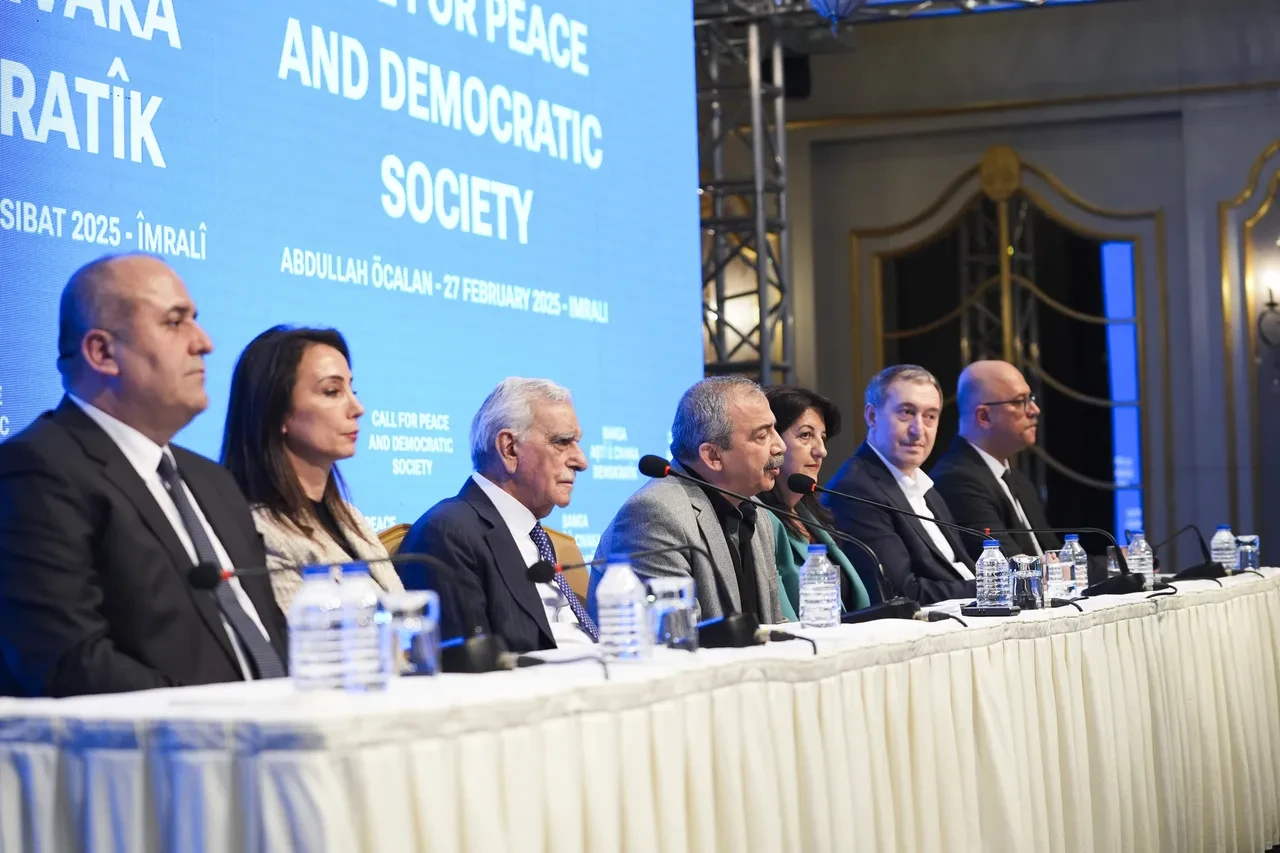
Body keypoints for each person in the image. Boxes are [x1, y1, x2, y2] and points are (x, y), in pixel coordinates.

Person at [0, 254, 288, 697]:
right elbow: (72, 664)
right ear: (102, 352)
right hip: (170, 755)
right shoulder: (37, 470)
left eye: (196, 320)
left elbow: (273, 639)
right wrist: (224, 718)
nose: (205, 342)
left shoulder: (213, 482)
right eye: (175, 323)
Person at [398, 378, 594, 653]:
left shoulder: (533, 535)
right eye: (562, 442)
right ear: (509, 449)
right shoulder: (447, 534)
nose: (581, 461)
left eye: (577, 442)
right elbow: (469, 668)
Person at [221, 326, 404, 615]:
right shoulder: (261, 534)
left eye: (351, 390)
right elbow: (302, 650)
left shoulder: (350, 517)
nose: (357, 407)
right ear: (277, 412)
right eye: (332, 391)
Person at [590, 376, 786, 624]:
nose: (780, 446)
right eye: (762, 436)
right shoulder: (654, 514)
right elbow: (676, 636)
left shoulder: (755, 509)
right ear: (713, 455)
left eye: (774, 429)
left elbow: (770, 622)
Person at [823, 365, 976, 605]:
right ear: (872, 416)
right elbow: (900, 593)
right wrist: (991, 587)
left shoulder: (926, 488)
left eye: (930, 417)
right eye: (906, 412)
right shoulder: (855, 490)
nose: (918, 430)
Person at [758, 386, 870, 620]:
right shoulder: (759, 520)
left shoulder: (811, 516)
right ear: (771, 442)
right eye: (806, 435)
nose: (821, 451)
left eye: (823, 438)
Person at [930, 360, 1060, 560]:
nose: (1034, 410)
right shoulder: (956, 480)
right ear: (984, 417)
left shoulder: (1017, 480)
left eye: (1031, 398)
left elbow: (1056, 555)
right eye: (1019, 401)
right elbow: (1011, 566)